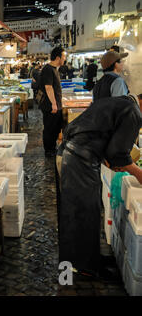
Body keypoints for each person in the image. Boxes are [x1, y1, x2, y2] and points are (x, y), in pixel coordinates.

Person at [58, 94, 142, 281]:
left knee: (85, 212)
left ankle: (90, 259)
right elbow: (117, 152)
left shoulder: (117, 102)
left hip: (75, 156)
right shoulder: (133, 112)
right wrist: (138, 173)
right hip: (81, 161)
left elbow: (78, 129)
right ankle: (84, 268)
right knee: (84, 214)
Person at [38, 46, 67, 157]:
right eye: (63, 57)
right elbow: (48, 87)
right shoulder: (48, 69)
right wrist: (54, 104)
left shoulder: (54, 69)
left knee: (55, 127)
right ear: (58, 57)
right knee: (50, 128)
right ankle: (49, 151)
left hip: (55, 105)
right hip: (50, 106)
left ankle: (52, 148)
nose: (64, 59)